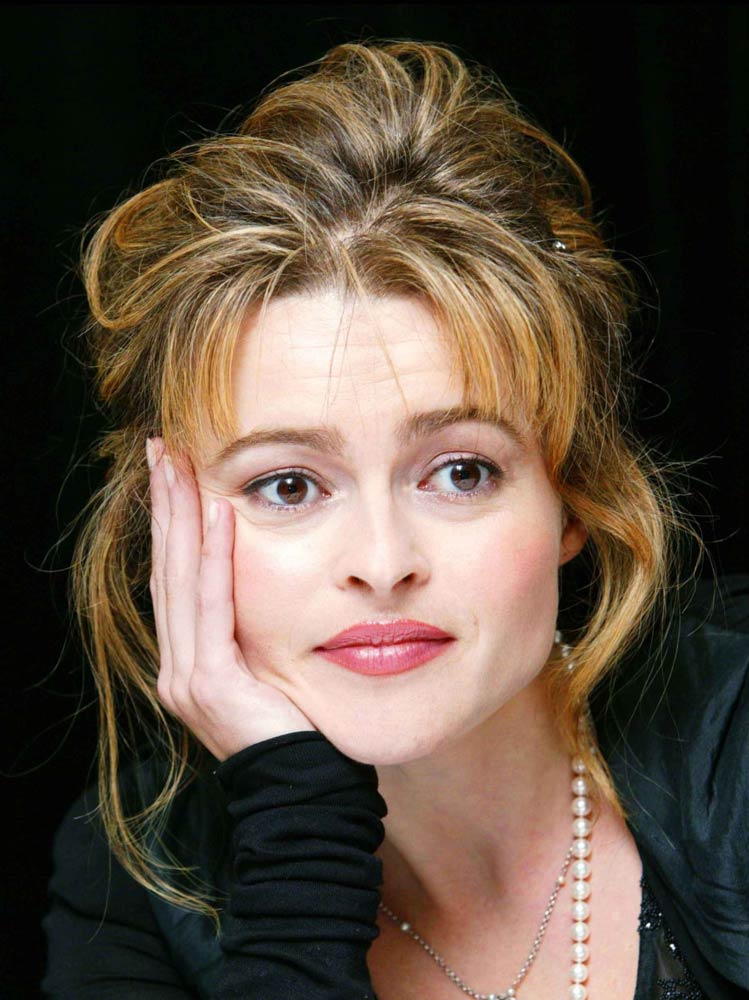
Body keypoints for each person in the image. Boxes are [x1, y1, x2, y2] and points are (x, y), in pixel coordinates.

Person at [40, 39, 749, 1000]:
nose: (381, 562)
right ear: (166, 528)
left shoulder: (731, 742)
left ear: (573, 499)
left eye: (460, 472)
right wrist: (296, 827)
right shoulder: (134, 881)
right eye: (288, 486)